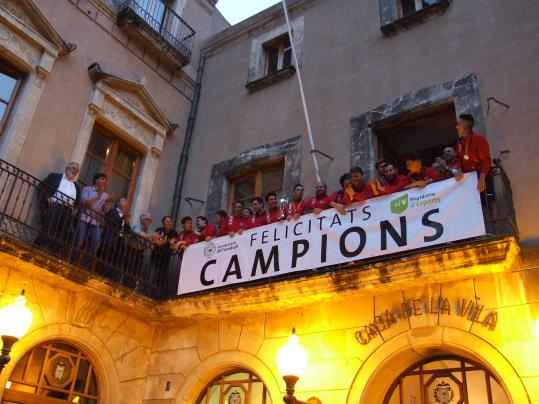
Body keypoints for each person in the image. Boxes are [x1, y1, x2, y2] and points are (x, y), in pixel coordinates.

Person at [36, 162, 81, 253]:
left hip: (68, 211)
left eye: (77, 170)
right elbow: (41, 187)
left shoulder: (76, 186)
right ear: (67, 168)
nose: (75, 171)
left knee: (61, 234)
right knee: (47, 229)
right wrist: (48, 198)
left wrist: (76, 209)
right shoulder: (55, 177)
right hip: (55, 206)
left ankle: (51, 255)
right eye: (73, 168)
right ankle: (35, 249)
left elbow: (78, 201)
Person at [75, 173, 112, 267]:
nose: (104, 181)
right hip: (84, 217)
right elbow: (85, 203)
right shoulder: (87, 189)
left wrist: (107, 202)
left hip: (95, 221)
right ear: (96, 180)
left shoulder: (106, 195)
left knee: (95, 243)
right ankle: (73, 261)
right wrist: (98, 196)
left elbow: (104, 211)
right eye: (102, 179)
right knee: (79, 241)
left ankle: (84, 265)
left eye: (105, 180)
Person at [455, 113, 492, 192]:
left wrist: (482, 179)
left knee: (489, 203)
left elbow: (486, 160)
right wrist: (459, 170)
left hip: (483, 178)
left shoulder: (478, 139)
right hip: (469, 180)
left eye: (458, 124)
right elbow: (459, 160)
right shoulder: (459, 143)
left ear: (465, 125)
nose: (456, 127)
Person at [100, 197, 131, 279]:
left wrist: (127, 221)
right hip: (110, 238)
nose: (126, 202)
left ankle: (111, 278)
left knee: (116, 260)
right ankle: (101, 275)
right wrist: (123, 219)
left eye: (126, 201)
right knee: (105, 257)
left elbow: (128, 231)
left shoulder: (125, 216)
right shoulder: (113, 211)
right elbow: (110, 221)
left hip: (120, 240)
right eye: (123, 200)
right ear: (118, 203)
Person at [129, 212, 158, 289]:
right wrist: (152, 236)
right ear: (142, 220)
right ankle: (125, 285)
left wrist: (162, 241)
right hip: (131, 250)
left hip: (140, 252)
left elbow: (154, 241)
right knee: (129, 269)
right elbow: (140, 235)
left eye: (150, 220)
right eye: (147, 219)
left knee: (137, 271)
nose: (149, 221)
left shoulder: (150, 231)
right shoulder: (136, 226)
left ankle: (132, 287)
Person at [152, 215, 179, 292]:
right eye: (167, 221)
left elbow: (173, 246)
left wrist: (164, 242)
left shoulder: (174, 233)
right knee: (154, 274)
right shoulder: (159, 230)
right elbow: (157, 243)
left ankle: (159, 292)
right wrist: (166, 242)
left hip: (166, 258)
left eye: (170, 221)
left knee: (162, 276)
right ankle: (152, 291)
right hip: (156, 256)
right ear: (163, 223)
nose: (169, 223)